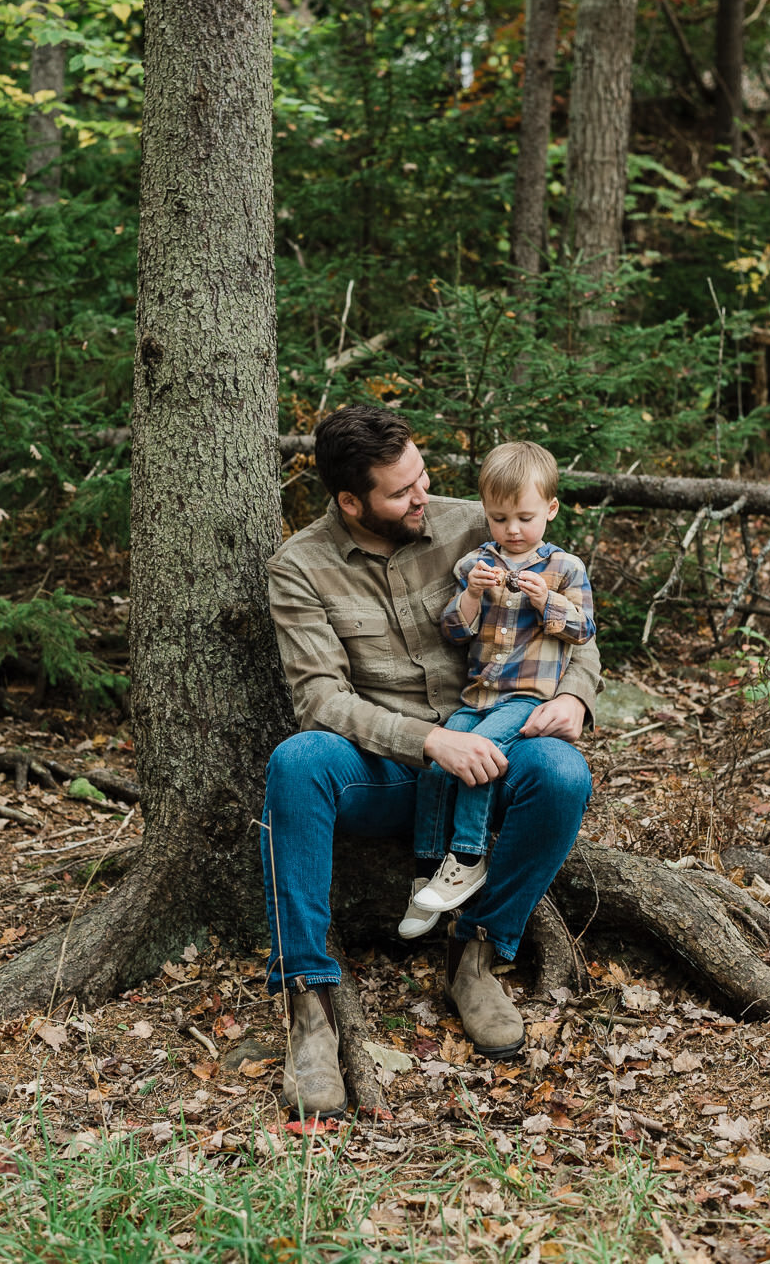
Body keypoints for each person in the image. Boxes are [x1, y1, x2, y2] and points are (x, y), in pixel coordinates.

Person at [262, 406, 600, 1118]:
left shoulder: (476, 521)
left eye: (423, 479)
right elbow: (320, 696)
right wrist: (426, 741)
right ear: (351, 502)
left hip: (495, 750)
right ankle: (310, 1009)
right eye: (401, 491)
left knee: (565, 775)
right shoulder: (300, 568)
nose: (423, 498)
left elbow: (570, 605)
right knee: (297, 762)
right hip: (388, 770)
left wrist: (575, 696)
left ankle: (475, 953)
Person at [399, 441, 596, 933]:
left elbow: (584, 631)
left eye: (525, 518)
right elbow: (453, 631)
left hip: (527, 696)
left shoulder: (565, 568)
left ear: (550, 510)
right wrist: (471, 594)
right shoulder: (475, 565)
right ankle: (427, 875)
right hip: (478, 694)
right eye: (499, 518)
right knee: (438, 762)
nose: (512, 530)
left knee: (480, 754)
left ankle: (467, 858)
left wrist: (547, 601)